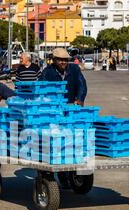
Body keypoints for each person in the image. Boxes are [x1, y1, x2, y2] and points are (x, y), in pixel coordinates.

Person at [40, 48, 88, 188]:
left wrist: (79, 99)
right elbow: (41, 91)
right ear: (54, 60)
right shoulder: (47, 72)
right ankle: (62, 175)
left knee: (73, 141)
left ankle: (72, 172)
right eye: (60, 60)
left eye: (65, 60)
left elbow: (82, 85)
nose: (63, 62)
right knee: (59, 142)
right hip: (54, 112)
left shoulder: (74, 69)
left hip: (72, 110)